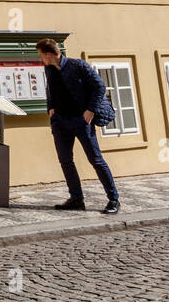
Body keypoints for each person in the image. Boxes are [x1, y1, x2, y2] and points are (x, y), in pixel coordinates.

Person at [38, 38, 120, 214]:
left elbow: (99, 86)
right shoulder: (49, 68)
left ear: (49, 54)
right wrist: (50, 108)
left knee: (95, 159)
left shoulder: (78, 66)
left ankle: (114, 199)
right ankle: (76, 199)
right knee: (66, 160)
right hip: (60, 122)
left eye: (41, 55)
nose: (40, 59)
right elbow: (50, 89)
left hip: (81, 120)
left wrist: (91, 109)